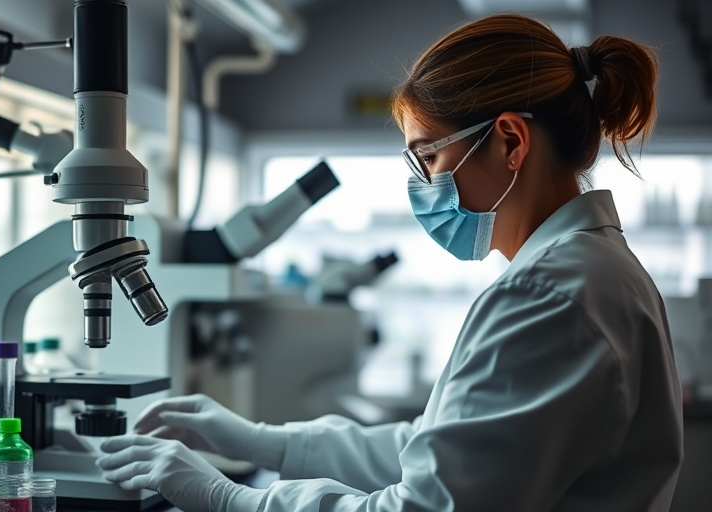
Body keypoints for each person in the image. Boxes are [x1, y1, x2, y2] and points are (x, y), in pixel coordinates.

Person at [96, 13, 684, 511]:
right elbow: (435, 445)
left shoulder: (553, 294)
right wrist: (264, 442)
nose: (423, 184)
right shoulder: (582, 272)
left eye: (427, 157)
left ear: (509, 141)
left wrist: (230, 498)